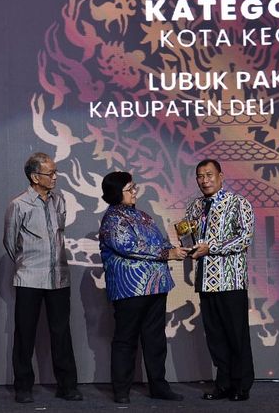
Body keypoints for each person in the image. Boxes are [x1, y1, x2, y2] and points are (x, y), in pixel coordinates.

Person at [98, 171, 186, 404]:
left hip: (156, 286)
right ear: (117, 193)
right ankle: (121, 390)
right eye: (130, 189)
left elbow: (161, 241)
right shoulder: (112, 219)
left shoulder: (143, 216)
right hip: (130, 289)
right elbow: (129, 246)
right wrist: (167, 253)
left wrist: (177, 249)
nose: (135, 192)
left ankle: (159, 386)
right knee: (126, 338)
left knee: (155, 338)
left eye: (134, 187)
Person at [3, 152, 82, 403]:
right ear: (35, 177)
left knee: (61, 332)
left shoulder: (59, 201)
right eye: (51, 173)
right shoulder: (19, 204)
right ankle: (23, 387)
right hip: (29, 277)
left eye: (56, 172)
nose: (55, 177)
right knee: (25, 333)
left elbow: (59, 234)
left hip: (59, 276)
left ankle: (67, 386)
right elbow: (10, 242)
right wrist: (28, 263)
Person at [185, 158, 255, 402]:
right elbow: (190, 236)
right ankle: (223, 383)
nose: (204, 180)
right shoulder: (194, 206)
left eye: (209, 175)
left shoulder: (238, 203)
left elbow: (245, 238)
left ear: (221, 176)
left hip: (231, 280)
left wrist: (210, 248)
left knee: (236, 335)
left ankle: (242, 385)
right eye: (200, 176)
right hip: (205, 280)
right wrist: (187, 248)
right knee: (215, 337)